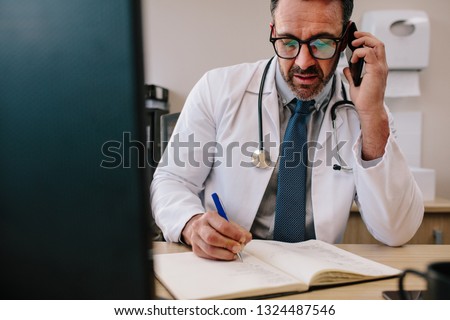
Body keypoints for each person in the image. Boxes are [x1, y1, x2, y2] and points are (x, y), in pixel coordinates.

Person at [150, 0, 424, 260]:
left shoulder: (367, 111)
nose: (303, 62)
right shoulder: (217, 89)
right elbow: (171, 181)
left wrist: (372, 114)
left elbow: (396, 230)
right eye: (288, 42)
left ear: (344, 41)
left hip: (318, 280)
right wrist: (191, 223)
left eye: (322, 43)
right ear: (273, 32)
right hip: (228, 267)